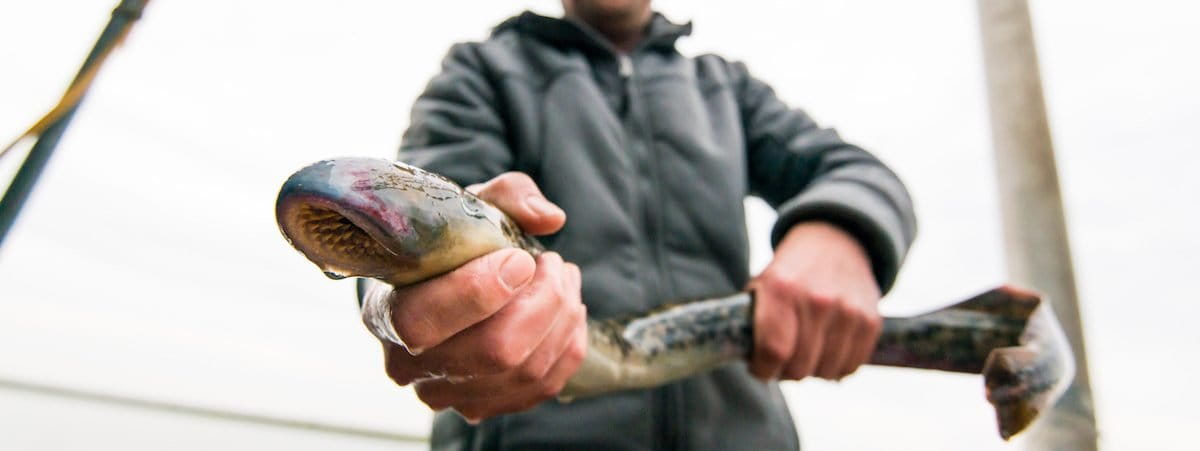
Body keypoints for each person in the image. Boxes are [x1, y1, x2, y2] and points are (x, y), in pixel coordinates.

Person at [358, 1, 917, 449]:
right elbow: (418, 211)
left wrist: (840, 233)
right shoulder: (484, 71)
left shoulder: (725, 88)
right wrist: (415, 298)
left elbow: (856, 171)